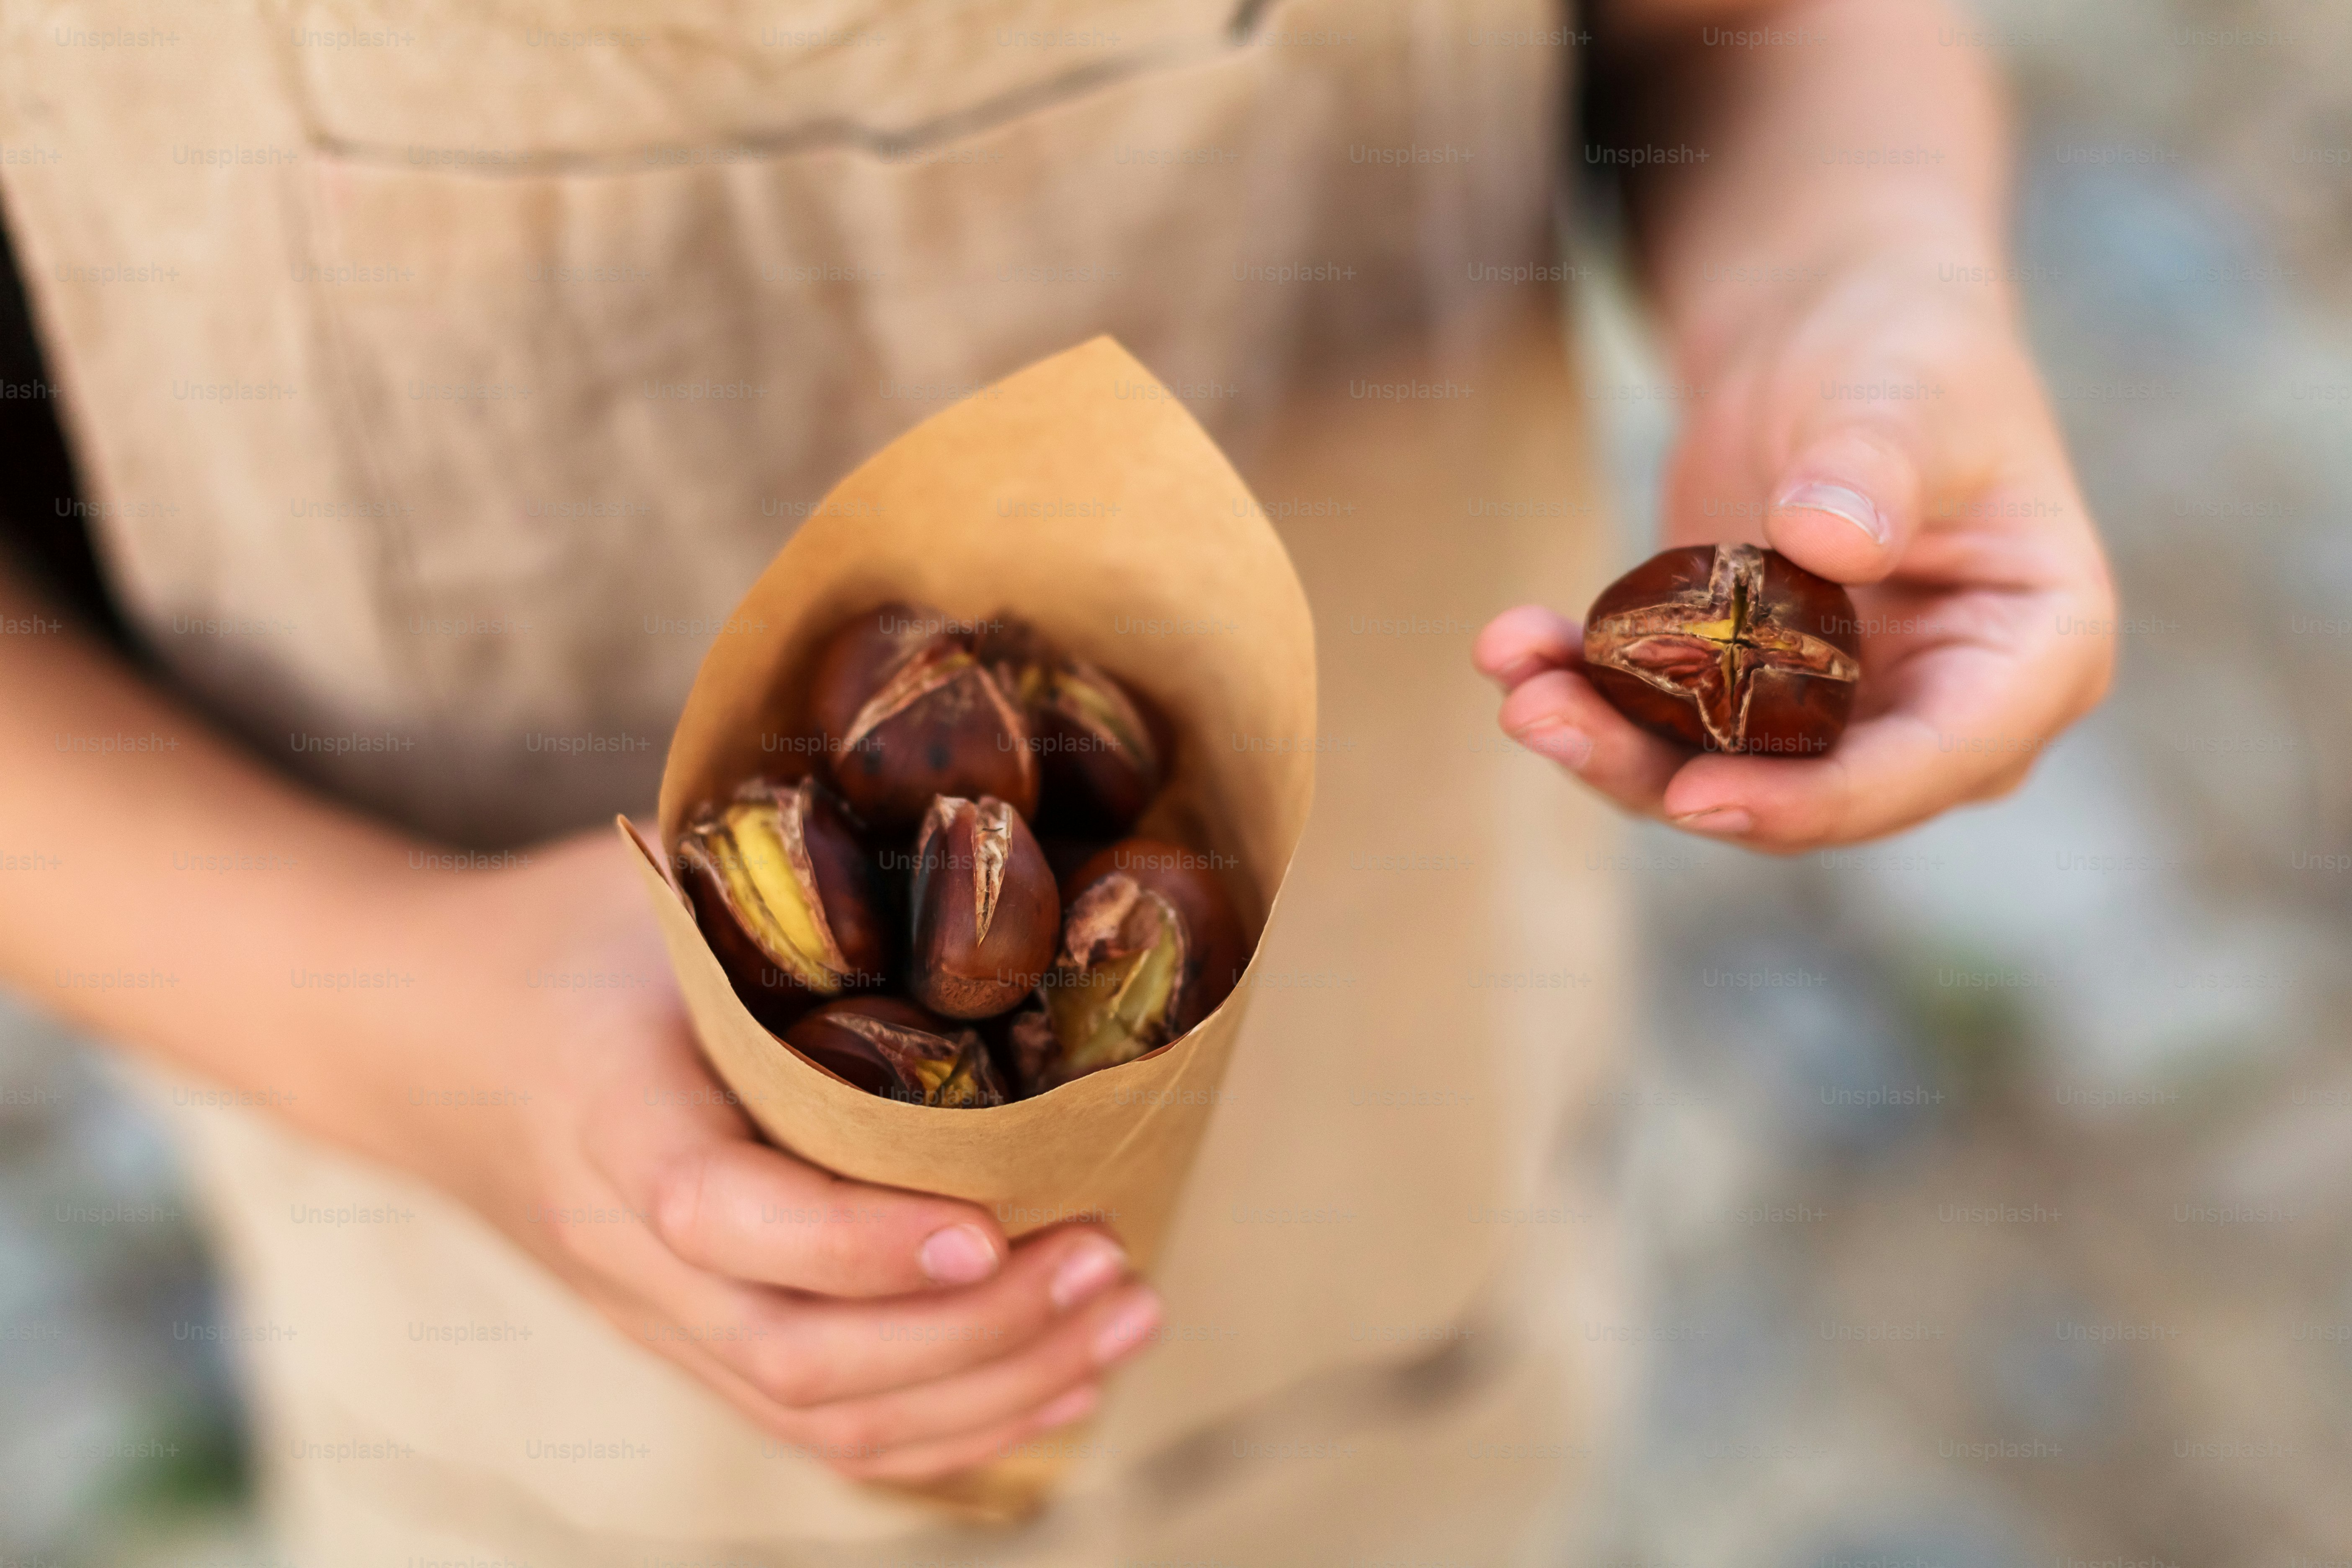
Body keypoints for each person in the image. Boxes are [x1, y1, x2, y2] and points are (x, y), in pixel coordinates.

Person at [0, 0, 2111, 1559]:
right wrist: (388, 1015)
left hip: (1383, 1145)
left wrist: (1853, 275)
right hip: (528, 1302)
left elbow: (1748, 32)